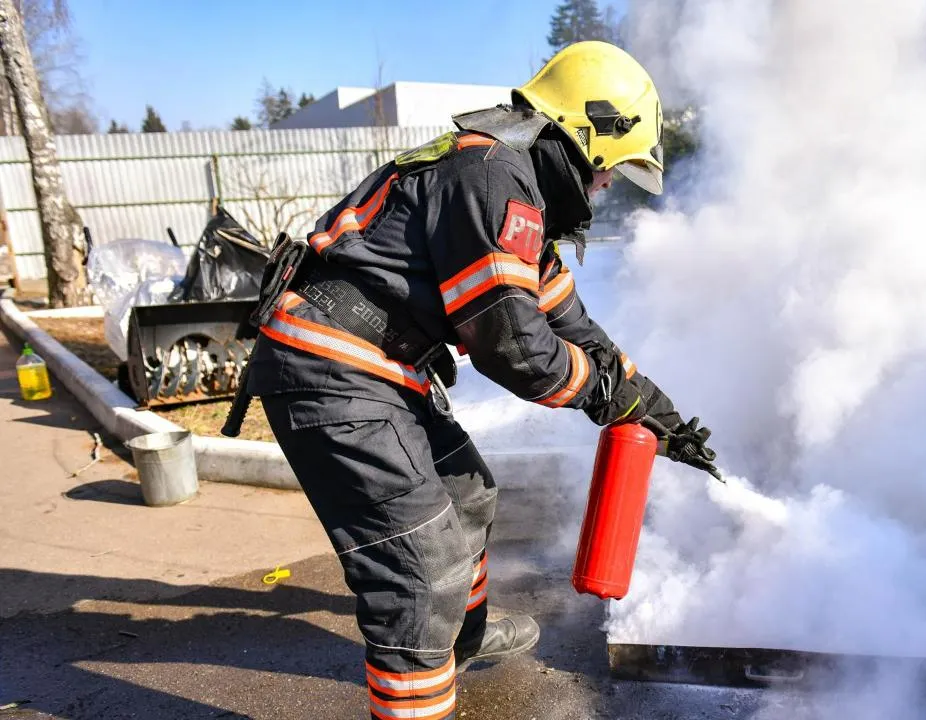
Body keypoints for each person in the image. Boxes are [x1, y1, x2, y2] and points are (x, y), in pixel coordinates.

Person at [233, 41, 717, 720]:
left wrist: (652, 409)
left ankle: (459, 637)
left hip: (377, 365)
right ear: (582, 138)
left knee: (468, 495)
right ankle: (425, 670)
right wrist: (605, 398)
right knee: (419, 572)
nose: (607, 190)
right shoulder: (494, 179)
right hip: (330, 366)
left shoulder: (509, 185)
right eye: (610, 172)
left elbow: (569, 325)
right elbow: (518, 349)